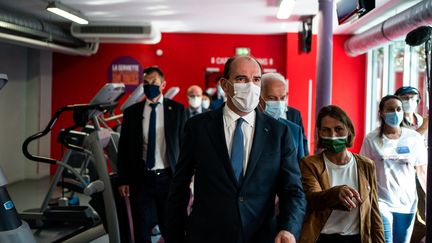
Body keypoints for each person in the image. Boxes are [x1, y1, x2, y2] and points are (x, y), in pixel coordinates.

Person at [166, 56, 306, 243]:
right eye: (241, 79)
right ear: (225, 85)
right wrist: (175, 234)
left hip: (261, 236)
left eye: (256, 79)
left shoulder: (279, 133)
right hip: (207, 235)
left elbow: (293, 190)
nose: (250, 86)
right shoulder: (198, 127)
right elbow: (180, 184)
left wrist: (289, 229)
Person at [117, 66, 186, 242]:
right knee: (142, 227)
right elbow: (124, 148)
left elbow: (186, 146)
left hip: (168, 178)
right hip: (141, 179)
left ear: (163, 84)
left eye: (154, 83)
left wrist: (188, 176)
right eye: (146, 83)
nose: (150, 86)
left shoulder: (177, 110)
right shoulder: (132, 113)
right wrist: (123, 179)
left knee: (170, 226)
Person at [300, 105, 384, 243]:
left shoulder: (366, 165)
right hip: (322, 237)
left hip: (357, 238)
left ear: (349, 131)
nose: (332, 135)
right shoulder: (310, 164)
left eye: (338, 129)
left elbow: (373, 210)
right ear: (319, 133)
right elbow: (313, 199)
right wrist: (336, 193)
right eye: (326, 130)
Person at [360, 95, 427, 243]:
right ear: (381, 113)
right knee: (386, 239)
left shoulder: (414, 138)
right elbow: (363, 170)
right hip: (381, 201)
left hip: (407, 203)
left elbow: (422, 172)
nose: (395, 113)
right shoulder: (371, 139)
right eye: (390, 109)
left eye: (398, 109)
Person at [395, 86, 427, 243]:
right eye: (405, 98)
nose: (409, 101)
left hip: (422, 175)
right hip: (403, 177)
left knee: (422, 216)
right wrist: (423, 129)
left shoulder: (421, 120)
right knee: (411, 218)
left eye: (412, 98)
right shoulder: (394, 122)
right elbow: (402, 147)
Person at [258, 72, 307, 162]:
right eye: (272, 98)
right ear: (258, 97)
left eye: (282, 98)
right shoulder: (248, 125)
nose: (279, 103)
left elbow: (302, 160)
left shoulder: (295, 129)